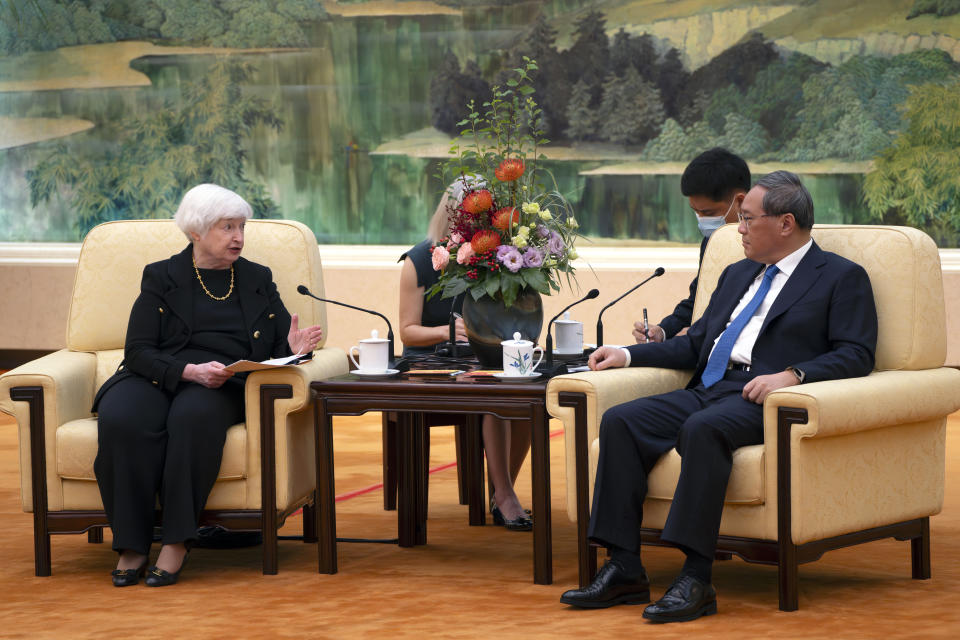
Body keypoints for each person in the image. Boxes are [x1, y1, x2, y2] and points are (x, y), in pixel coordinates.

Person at [560, 171, 877, 622]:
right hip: (711, 386)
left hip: (763, 397)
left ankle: (695, 577)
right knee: (622, 420)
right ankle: (625, 566)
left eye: (747, 219)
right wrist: (628, 354)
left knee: (703, 429)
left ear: (786, 223)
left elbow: (857, 354)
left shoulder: (841, 277)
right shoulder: (736, 274)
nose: (739, 229)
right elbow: (697, 343)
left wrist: (794, 374)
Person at [93, 184, 324, 587]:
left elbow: (276, 347)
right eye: (227, 227)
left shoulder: (256, 278)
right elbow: (138, 350)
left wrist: (293, 347)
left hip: (222, 384)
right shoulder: (161, 276)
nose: (238, 237)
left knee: (192, 417)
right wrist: (188, 371)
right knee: (121, 418)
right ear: (196, 233)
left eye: (241, 227)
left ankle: (178, 540)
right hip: (159, 374)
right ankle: (131, 544)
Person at [398, 177, 533, 530]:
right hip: (432, 361)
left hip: (478, 357)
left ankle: (502, 489)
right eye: (470, 216)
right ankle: (504, 496)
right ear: (452, 214)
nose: (478, 224)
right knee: (494, 395)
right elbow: (407, 330)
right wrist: (447, 330)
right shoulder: (419, 259)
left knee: (523, 398)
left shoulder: (495, 257)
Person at [634, 148, 750, 344]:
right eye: (696, 212)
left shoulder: (768, 244)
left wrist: (700, 331)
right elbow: (697, 300)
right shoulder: (711, 241)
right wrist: (663, 331)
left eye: (708, 212)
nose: (701, 220)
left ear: (740, 201)